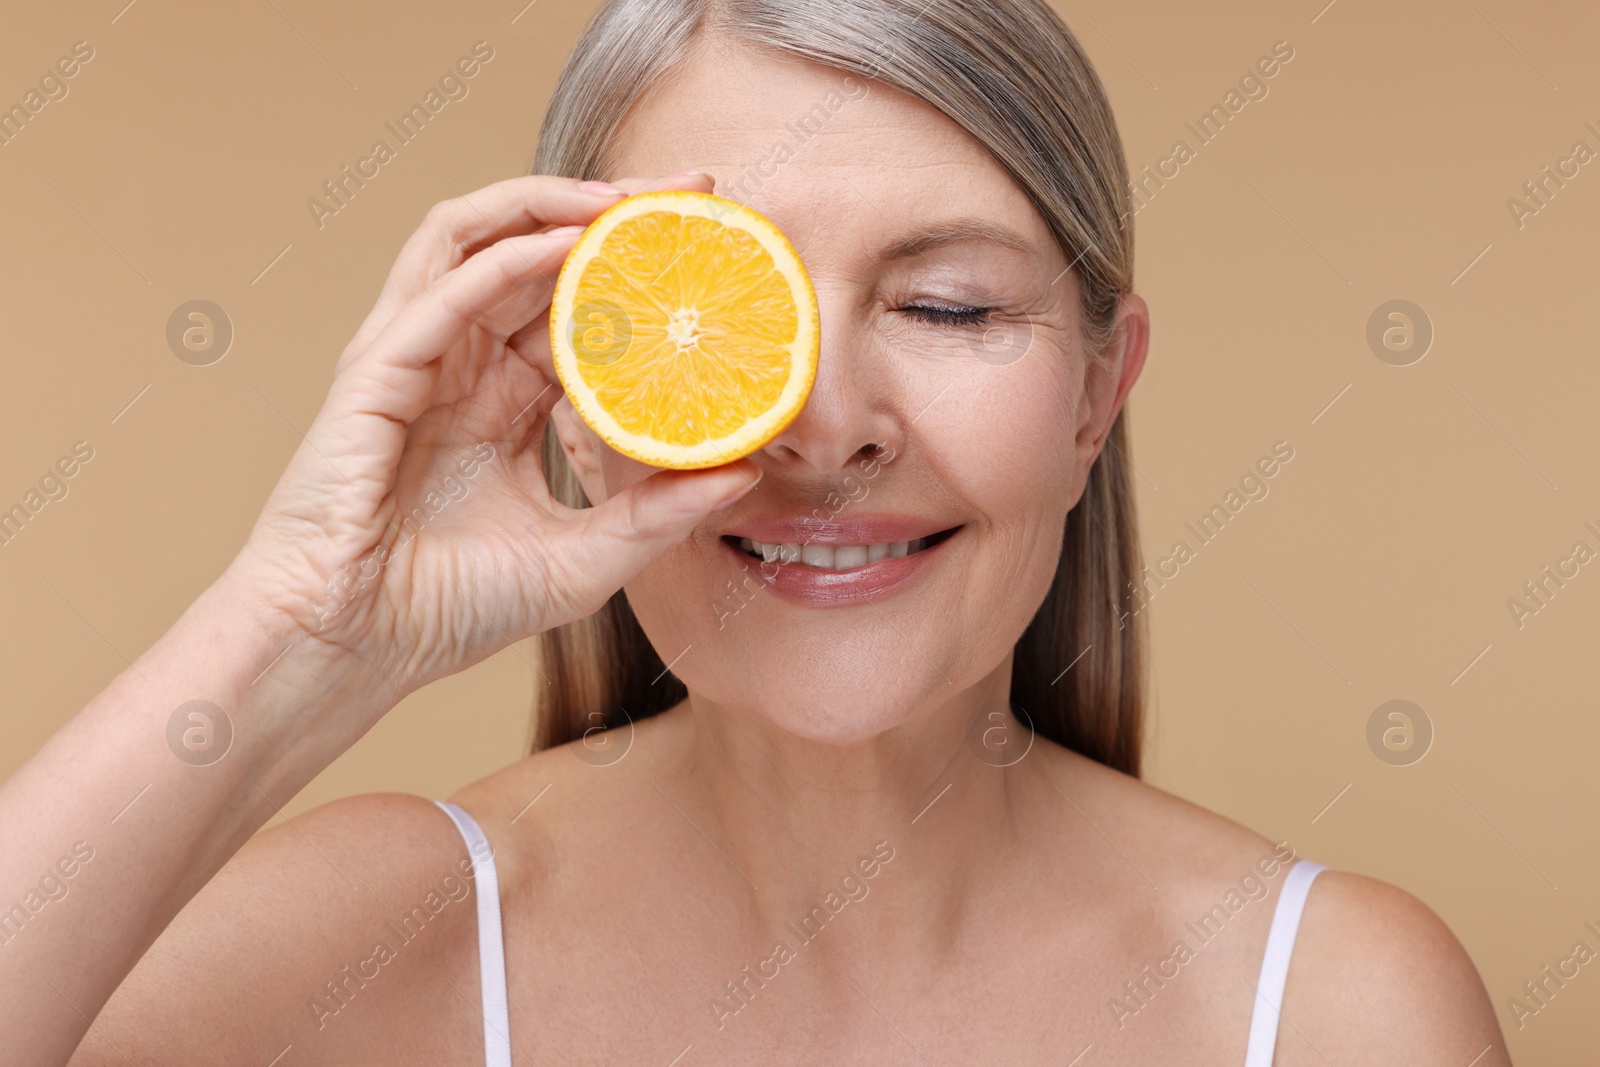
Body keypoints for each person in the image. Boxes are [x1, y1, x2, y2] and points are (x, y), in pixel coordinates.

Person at [2, 0, 1508, 1063]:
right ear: (578, 383)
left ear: (1099, 393)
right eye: (725, 316)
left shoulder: (1334, 1008)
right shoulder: (359, 956)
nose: (825, 420)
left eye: (948, 306)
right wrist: (302, 633)